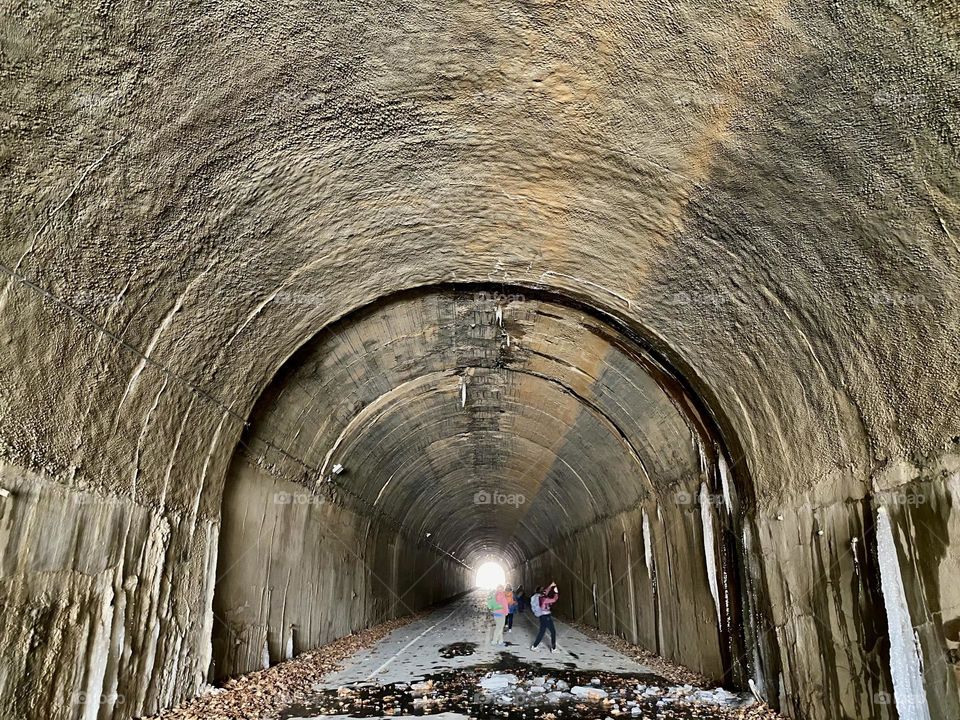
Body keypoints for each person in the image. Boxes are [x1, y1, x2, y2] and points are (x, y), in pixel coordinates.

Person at [530, 581, 559, 652]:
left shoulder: (537, 597)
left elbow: (546, 591)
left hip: (542, 615)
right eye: (543, 590)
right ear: (541, 591)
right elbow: (554, 599)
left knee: (542, 631)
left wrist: (551, 585)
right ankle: (554, 648)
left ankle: (534, 646)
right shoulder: (544, 599)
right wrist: (556, 593)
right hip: (546, 616)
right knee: (553, 631)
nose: (545, 591)